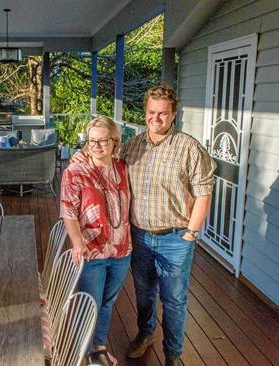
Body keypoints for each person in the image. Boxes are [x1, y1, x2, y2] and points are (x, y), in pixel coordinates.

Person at [72, 85, 216, 365]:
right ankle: (145, 333)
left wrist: (191, 233)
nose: (156, 118)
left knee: (174, 300)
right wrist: (82, 155)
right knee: (144, 293)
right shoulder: (132, 146)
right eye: (152, 112)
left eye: (163, 113)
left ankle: (173, 355)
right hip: (139, 236)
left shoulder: (189, 148)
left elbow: (204, 193)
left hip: (176, 238)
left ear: (174, 114)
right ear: (145, 112)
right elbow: (103, 155)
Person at [60, 116, 132, 366]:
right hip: (92, 251)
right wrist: (78, 243)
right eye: (92, 141)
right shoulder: (76, 171)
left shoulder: (123, 168)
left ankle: (97, 348)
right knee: (89, 303)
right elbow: (68, 211)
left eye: (103, 141)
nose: (97, 146)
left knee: (107, 302)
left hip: (122, 249)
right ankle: (79, 352)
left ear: (114, 142)